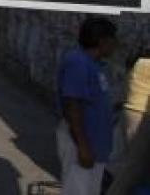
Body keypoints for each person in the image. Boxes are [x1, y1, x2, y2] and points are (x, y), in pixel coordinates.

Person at [56, 17, 118, 195]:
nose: (116, 45)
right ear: (102, 41)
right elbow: (72, 105)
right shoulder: (78, 63)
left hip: (95, 147)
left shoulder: (95, 65)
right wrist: (82, 146)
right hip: (82, 144)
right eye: (113, 39)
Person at [108, 48, 150, 195]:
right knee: (134, 167)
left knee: (133, 167)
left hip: (134, 113)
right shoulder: (146, 65)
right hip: (141, 116)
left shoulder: (141, 63)